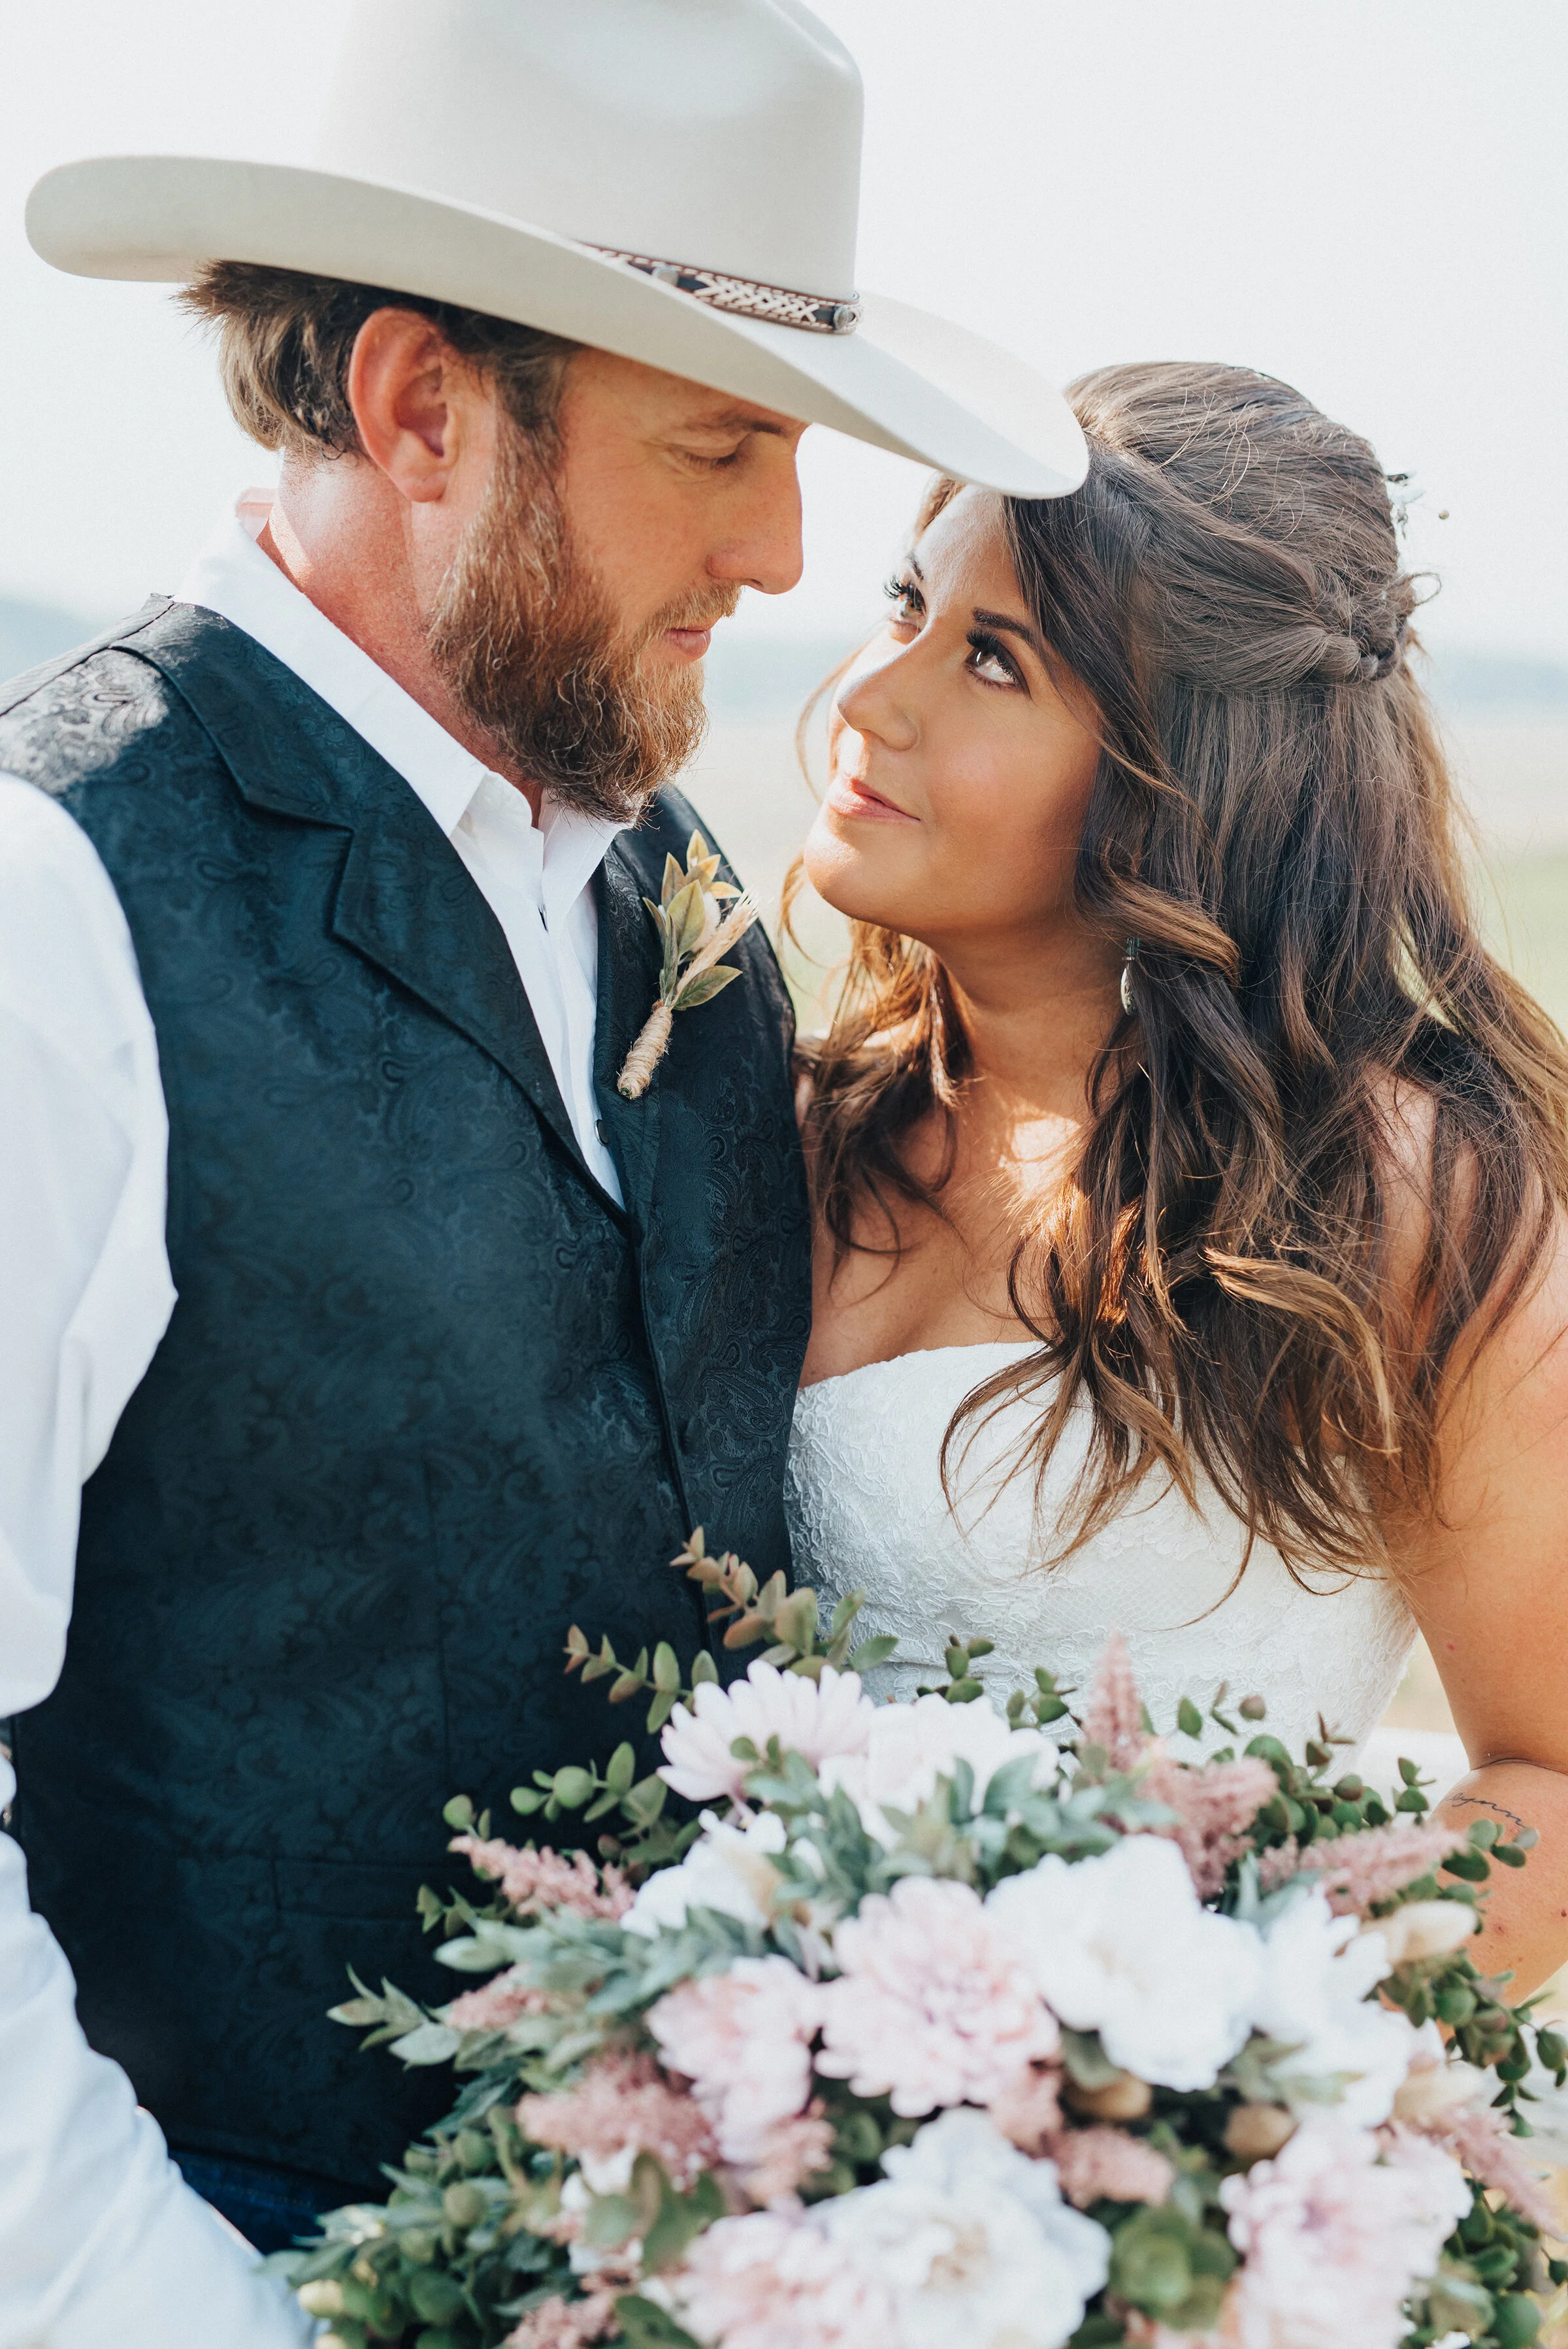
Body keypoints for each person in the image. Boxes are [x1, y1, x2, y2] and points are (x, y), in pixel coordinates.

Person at [0, 2, 1086, 2339]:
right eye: (719, 445)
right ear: (422, 409)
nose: (782, 550)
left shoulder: (674, 891)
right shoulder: (52, 901)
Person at [787, 360, 1568, 1999]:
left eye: (991, 660)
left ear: (1176, 781)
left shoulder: (1395, 1200)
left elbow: (1552, 1782)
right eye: (908, 605)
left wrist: (1203, 2060)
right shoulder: (782, 1131)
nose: (870, 694)